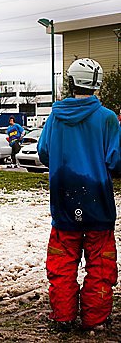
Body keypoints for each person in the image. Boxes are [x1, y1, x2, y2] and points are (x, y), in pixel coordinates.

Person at [37, 58, 120, 332]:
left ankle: (63, 317)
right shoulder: (107, 118)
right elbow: (116, 162)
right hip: (98, 202)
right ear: (97, 83)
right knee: (100, 264)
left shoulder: (55, 117)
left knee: (62, 263)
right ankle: (94, 319)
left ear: (70, 82)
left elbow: (44, 153)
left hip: (63, 201)